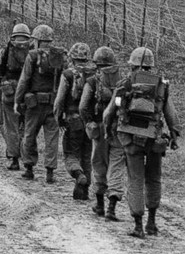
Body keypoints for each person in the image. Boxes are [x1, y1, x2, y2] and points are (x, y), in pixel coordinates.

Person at [102, 47, 181, 238]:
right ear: (150, 65)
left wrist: (107, 130)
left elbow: (109, 112)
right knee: (154, 179)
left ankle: (138, 226)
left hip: (131, 139)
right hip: (154, 138)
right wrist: (174, 136)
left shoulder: (125, 83)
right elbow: (171, 115)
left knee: (135, 180)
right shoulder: (162, 85)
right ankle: (152, 223)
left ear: (133, 65)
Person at [79, 46, 126, 221]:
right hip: (119, 129)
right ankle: (112, 208)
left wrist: (88, 122)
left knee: (98, 164)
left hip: (99, 129)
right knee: (116, 165)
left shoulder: (92, 81)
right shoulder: (122, 80)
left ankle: (99, 205)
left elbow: (83, 106)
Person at [14, 24, 63, 182]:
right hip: (53, 104)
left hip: (34, 104)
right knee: (52, 139)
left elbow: (24, 79)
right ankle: (50, 172)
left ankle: (29, 169)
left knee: (29, 135)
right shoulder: (59, 55)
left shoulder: (32, 56)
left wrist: (17, 100)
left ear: (37, 40)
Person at [54, 41, 94, 200]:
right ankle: (83, 190)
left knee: (71, 153)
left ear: (72, 56)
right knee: (86, 156)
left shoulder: (68, 74)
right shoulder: (95, 74)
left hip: (73, 120)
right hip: (90, 123)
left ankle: (78, 174)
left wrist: (58, 118)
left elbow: (59, 99)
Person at [0, 23, 32, 169]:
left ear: (13, 35)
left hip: (10, 90)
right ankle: (24, 153)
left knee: (7, 124)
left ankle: (14, 158)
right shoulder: (33, 50)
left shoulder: (8, 48)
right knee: (25, 126)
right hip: (28, 91)